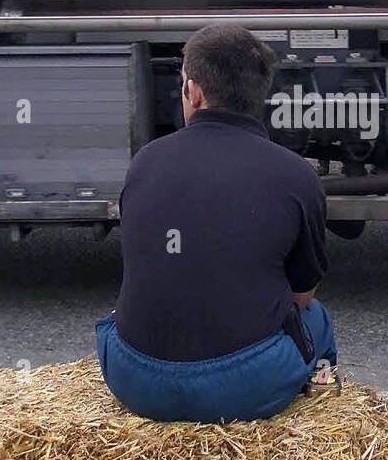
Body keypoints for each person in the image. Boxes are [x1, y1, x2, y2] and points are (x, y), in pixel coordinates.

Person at [96, 24, 336, 422]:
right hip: (243, 387)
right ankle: (322, 391)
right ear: (261, 94)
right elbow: (302, 297)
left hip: (132, 377)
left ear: (193, 90)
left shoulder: (145, 162)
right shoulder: (296, 176)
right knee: (318, 318)